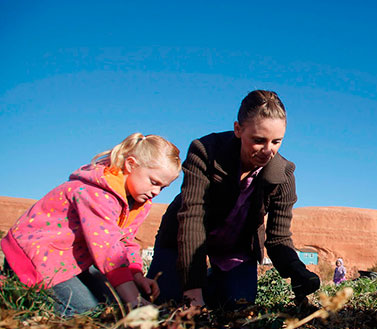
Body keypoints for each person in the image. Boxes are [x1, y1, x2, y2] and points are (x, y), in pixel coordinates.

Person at [148, 90, 320, 310]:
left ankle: (213, 281)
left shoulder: (283, 175)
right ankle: (198, 281)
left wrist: (298, 271)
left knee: (237, 306)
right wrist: (192, 291)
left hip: (235, 249)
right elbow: (192, 220)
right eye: (258, 140)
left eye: (277, 142)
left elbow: (278, 238)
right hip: (184, 241)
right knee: (165, 303)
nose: (269, 151)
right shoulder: (205, 152)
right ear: (238, 129)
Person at [1, 133, 181, 315]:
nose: (156, 192)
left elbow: (125, 241)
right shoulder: (95, 194)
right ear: (130, 164)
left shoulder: (138, 203)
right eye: (154, 182)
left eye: (163, 187)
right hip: (36, 257)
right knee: (89, 311)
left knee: (115, 304)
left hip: (71, 262)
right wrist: (134, 300)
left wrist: (136, 275)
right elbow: (108, 250)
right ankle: (10, 289)